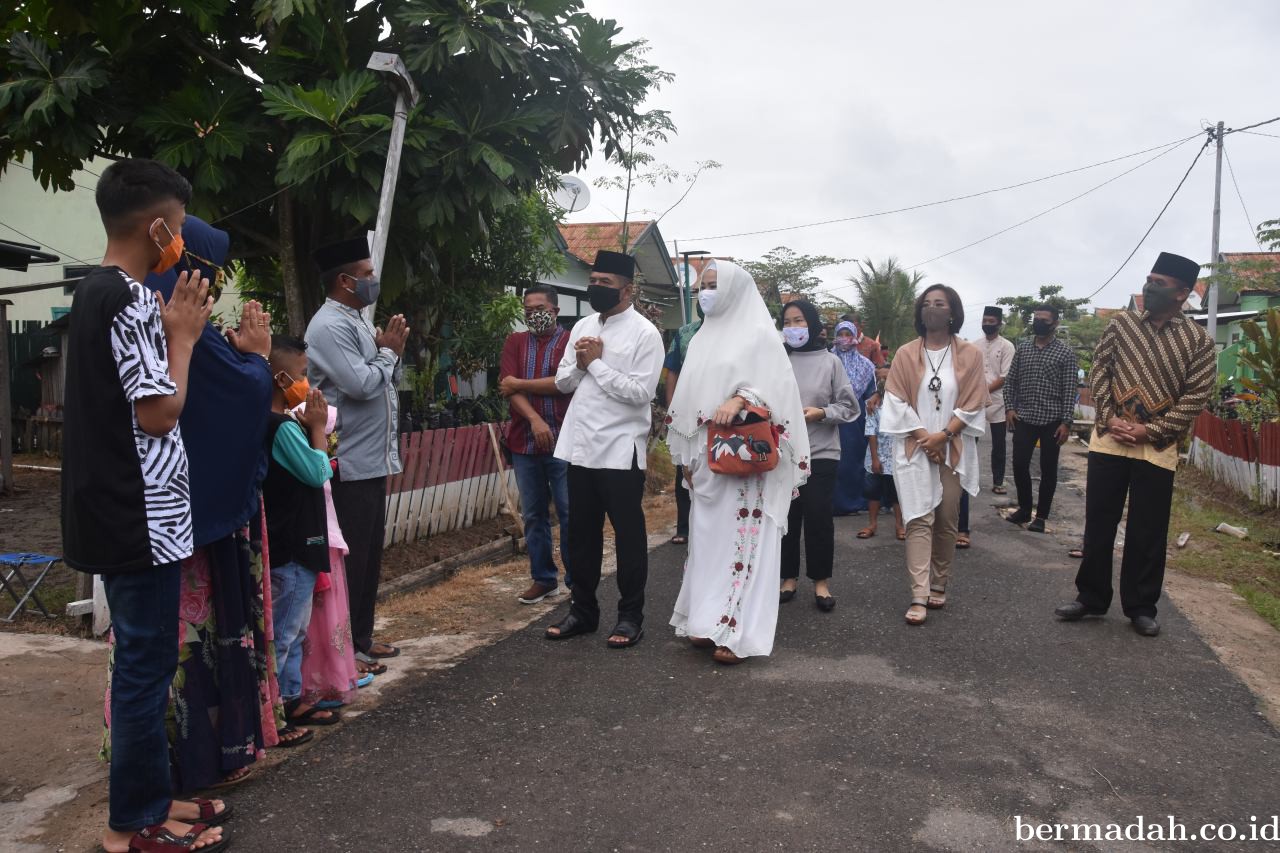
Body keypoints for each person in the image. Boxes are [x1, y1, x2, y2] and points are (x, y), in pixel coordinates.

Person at [63, 159, 227, 853]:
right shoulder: (127, 297)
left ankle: (156, 799)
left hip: (119, 508)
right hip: (140, 514)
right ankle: (132, 824)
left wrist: (168, 334)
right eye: (180, 229)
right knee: (144, 668)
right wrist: (183, 337)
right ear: (158, 225)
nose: (180, 244)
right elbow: (161, 412)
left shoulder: (94, 291)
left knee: (145, 662)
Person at [139, 216, 280, 792]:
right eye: (209, 265)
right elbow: (243, 393)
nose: (214, 280)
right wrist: (257, 357)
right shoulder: (177, 319)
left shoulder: (150, 309)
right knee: (184, 647)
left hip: (161, 508)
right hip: (189, 517)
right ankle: (190, 764)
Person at [1055, 252, 1215, 637]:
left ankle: (1141, 606)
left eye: (1159, 283)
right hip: (1110, 440)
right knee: (1099, 522)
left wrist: (1151, 430)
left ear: (1182, 293)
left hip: (1157, 448)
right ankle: (1091, 597)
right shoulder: (1121, 325)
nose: (1149, 287)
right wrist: (1110, 418)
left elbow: (1196, 397)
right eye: (1148, 279)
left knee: (1148, 530)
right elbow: (1101, 370)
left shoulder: (1199, 342)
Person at [666, 261, 810, 664]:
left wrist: (741, 398)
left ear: (735, 290)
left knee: (744, 543)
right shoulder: (700, 339)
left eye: (714, 285)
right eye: (702, 286)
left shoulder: (761, 337)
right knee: (707, 542)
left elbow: (778, 392)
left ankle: (734, 630)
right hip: (706, 459)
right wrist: (686, 460)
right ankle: (705, 621)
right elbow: (688, 399)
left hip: (746, 461)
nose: (706, 293)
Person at [544, 250, 664, 648]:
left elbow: (640, 394)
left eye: (604, 283)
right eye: (592, 281)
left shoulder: (646, 334)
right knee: (580, 536)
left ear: (626, 289)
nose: (595, 288)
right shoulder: (581, 325)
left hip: (618, 451)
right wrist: (580, 363)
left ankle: (630, 616)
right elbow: (562, 382)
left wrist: (595, 364)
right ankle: (583, 611)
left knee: (628, 537)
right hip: (580, 448)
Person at [305, 237, 409, 675]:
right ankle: (346, 653)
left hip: (371, 459)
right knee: (350, 562)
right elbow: (361, 384)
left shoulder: (358, 320)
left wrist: (387, 351)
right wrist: (388, 352)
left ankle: (362, 639)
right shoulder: (329, 326)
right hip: (346, 459)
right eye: (367, 274)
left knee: (368, 558)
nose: (373, 281)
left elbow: (384, 378)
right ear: (346, 281)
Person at [881, 284, 987, 626]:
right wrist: (924, 437)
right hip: (914, 447)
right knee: (917, 519)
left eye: (939, 304)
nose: (932, 309)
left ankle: (940, 582)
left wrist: (944, 435)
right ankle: (919, 593)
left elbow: (974, 401)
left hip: (952, 448)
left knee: (945, 519)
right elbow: (895, 399)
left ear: (952, 311)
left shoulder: (970, 354)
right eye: (927, 304)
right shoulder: (905, 353)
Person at [262, 335, 342, 735]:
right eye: (302, 374)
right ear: (279, 378)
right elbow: (318, 472)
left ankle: (290, 698)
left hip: (292, 543)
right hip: (291, 545)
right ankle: (279, 709)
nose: (308, 385)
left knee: (292, 628)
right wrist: (316, 431)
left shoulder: (277, 423)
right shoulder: (281, 428)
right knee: (285, 631)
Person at [778, 300, 859, 611]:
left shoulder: (831, 362)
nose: (794, 327)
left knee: (818, 517)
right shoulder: (778, 360)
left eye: (799, 320)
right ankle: (788, 578)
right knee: (786, 516)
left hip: (822, 452)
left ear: (811, 324)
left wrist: (821, 413)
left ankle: (821, 581)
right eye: (788, 321)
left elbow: (850, 406)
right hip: (784, 452)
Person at [498, 284, 574, 603]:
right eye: (527, 309)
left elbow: (565, 383)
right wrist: (534, 418)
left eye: (539, 308)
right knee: (533, 514)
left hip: (566, 440)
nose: (533, 314)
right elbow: (507, 387)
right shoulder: (515, 342)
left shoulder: (570, 341)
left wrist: (522, 383)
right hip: (524, 441)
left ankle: (577, 579)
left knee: (570, 510)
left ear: (554, 310)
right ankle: (544, 578)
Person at [299, 401, 362, 710]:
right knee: (317, 623)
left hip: (328, 540)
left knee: (331, 620)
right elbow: (320, 472)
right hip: (319, 540)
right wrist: (318, 440)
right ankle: (317, 683)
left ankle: (336, 677)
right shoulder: (312, 456)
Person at [1004, 304, 1078, 532]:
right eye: (1036, 318)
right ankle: (1025, 509)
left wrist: (1066, 422)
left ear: (1054, 323)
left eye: (1044, 320)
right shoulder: (1023, 349)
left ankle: (1041, 517)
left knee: (1048, 470)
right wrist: (1009, 408)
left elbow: (1069, 390)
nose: (1038, 323)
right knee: (1018, 464)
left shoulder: (1065, 353)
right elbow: (1010, 382)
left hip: (1052, 421)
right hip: (1024, 417)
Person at [663, 266, 710, 545]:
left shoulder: (737, 333)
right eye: (702, 290)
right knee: (683, 468)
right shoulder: (685, 333)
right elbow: (672, 371)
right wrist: (672, 408)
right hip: (687, 412)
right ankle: (684, 527)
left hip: (720, 414)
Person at [831, 320, 878, 516]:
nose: (844, 339)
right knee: (834, 461)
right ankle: (835, 502)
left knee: (853, 459)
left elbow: (872, 394)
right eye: (840, 334)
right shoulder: (827, 360)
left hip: (856, 420)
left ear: (855, 337)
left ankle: (855, 501)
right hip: (830, 416)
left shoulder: (866, 365)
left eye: (847, 334)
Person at [973, 307, 1015, 495]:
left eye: (991, 321)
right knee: (970, 441)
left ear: (999, 323)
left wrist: (984, 391)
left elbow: (1005, 377)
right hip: (975, 400)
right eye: (985, 321)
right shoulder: (974, 345)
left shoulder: (1007, 346)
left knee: (999, 444)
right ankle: (969, 480)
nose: (987, 324)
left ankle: (998, 481)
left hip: (998, 401)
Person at [857, 385, 905, 541]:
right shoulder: (873, 405)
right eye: (880, 377)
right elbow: (871, 432)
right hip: (875, 456)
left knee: (896, 493)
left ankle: (900, 526)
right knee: (873, 492)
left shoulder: (903, 402)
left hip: (897, 456)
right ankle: (872, 524)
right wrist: (875, 458)